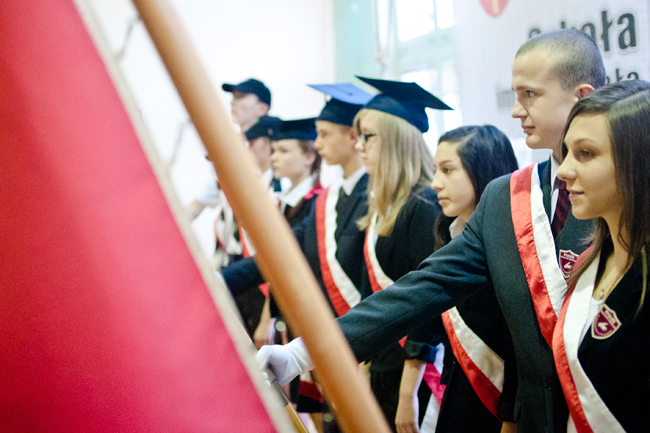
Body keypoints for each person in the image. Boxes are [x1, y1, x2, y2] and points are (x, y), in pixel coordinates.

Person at [257, 29, 606, 433]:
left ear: (580, 97)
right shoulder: (506, 197)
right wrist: (302, 353)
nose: (515, 110)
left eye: (529, 94)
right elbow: (423, 287)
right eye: (514, 94)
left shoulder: (625, 190)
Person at [347, 76, 450, 432]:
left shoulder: (424, 206)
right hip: (383, 364)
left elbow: (426, 304)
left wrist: (408, 393)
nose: (358, 145)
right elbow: (371, 297)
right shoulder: (384, 206)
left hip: (414, 375)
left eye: (367, 136)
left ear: (395, 140)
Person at [400, 125, 518, 433]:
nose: (435, 183)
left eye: (448, 170)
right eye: (436, 170)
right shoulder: (446, 233)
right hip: (457, 393)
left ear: (483, 171)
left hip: (504, 406)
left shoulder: (515, 244)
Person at [553, 80, 650, 433]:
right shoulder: (590, 262)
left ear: (637, 162)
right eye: (567, 151)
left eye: (586, 153)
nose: (563, 170)